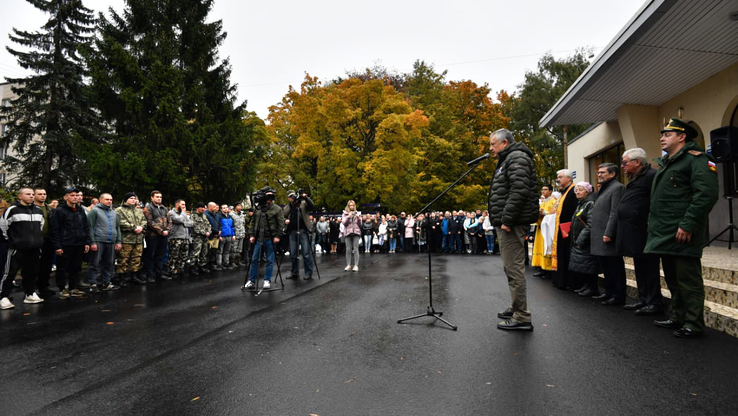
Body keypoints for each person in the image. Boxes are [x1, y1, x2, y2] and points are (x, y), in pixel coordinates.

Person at [645, 118, 719, 338]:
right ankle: (678, 316)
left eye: (667, 134)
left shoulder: (697, 160)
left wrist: (687, 225)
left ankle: (694, 323)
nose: (662, 138)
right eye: (662, 134)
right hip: (666, 232)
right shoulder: (669, 162)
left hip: (683, 232)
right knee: (673, 279)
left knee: (688, 280)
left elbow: (705, 195)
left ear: (682, 136)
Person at [487, 128, 539, 331]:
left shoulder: (517, 157)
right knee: (510, 267)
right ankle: (516, 307)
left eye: (493, 144)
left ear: (505, 143)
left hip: (512, 223)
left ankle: (522, 316)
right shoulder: (508, 159)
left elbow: (520, 190)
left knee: (514, 268)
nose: (490, 149)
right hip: (508, 222)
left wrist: (507, 219)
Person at [617, 148, 664, 315]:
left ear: (637, 162)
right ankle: (643, 299)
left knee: (649, 267)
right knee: (639, 267)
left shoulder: (652, 175)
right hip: (634, 231)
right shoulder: (636, 178)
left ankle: (654, 302)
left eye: (625, 162)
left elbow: (657, 201)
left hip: (645, 230)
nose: (622, 166)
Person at [0, 188, 45, 309]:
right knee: (10, 272)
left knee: (31, 272)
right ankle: (3, 297)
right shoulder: (12, 210)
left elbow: (40, 227)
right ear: (20, 196)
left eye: (32, 194)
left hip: (34, 248)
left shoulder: (39, 211)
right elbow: (3, 226)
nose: (31, 196)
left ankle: (29, 294)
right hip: (17, 248)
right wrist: (12, 241)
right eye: (27, 194)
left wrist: (36, 241)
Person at [590, 163, 626, 304]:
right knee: (606, 267)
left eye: (602, 172)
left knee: (614, 267)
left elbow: (614, 212)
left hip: (607, 235)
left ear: (612, 174)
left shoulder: (617, 188)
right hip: (599, 234)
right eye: (598, 172)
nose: (599, 175)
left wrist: (609, 232)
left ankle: (618, 295)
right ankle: (609, 291)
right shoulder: (605, 188)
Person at [50, 188, 90, 299]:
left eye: (77, 195)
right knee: (62, 267)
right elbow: (55, 229)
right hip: (66, 243)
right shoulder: (59, 211)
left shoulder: (80, 210)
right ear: (65, 197)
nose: (75, 197)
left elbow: (85, 227)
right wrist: (57, 246)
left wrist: (87, 242)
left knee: (76, 267)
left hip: (79, 243)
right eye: (72, 195)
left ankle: (73, 287)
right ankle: (62, 288)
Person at [246, 188, 284, 289]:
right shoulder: (258, 208)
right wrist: (252, 235)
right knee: (254, 260)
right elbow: (253, 222)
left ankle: (267, 280)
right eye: (267, 195)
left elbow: (281, 224)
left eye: (271, 196)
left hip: (270, 238)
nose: (269, 198)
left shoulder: (277, 209)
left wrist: (278, 236)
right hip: (258, 238)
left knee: (269, 260)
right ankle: (251, 280)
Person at [568, 182, 600, 297]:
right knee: (584, 264)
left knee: (589, 264)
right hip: (580, 239)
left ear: (588, 191)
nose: (577, 192)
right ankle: (587, 285)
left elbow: (590, 224)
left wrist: (581, 239)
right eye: (576, 190)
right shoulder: (581, 203)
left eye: (580, 190)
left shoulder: (590, 203)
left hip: (586, 240)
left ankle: (592, 287)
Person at [87, 193, 123, 292]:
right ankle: (93, 284)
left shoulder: (114, 213)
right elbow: (89, 227)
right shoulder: (94, 211)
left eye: (111, 199)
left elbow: (117, 227)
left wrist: (118, 241)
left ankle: (106, 283)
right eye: (107, 199)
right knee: (94, 263)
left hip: (111, 241)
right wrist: (92, 242)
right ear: (100, 200)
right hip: (99, 240)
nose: (109, 201)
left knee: (109, 263)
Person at [551, 169, 579, 290]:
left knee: (567, 254)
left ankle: (568, 281)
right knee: (562, 254)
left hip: (568, 229)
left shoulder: (573, 191)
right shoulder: (564, 192)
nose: (558, 179)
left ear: (568, 178)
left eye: (560, 177)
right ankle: (561, 280)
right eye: (557, 177)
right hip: (561, 228)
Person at [116, 192, 147, 285]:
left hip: (138, 239)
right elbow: (120, 222)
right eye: (131, 198)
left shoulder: (138, 210)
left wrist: (141, 227)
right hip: (126, 239)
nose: (133, 200)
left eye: (134, 198)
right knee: (123, 259)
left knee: (136, 258)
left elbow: (144, 221)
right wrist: (133, 227)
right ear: (126, 200)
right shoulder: (119, 210)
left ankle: (134, 276)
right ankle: (122, 278)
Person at [283, 190, 315, 280]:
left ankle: (308, 273)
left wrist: (306, 197)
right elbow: (283, 215)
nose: (292, 198)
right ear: (288, 198)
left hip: (303, 231)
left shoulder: (303, 203)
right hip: (292, 232)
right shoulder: (288, 206)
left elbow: (312, 206)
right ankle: (294, 272)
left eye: (293, 196)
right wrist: (285, 221)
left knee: (306, 253)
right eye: (290, 197)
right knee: (293, 254)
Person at [142, 190, 171, 282]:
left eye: (160, 197)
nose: (159, 198)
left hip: (164, 235)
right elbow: (150, 222)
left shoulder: (164, 208)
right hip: (152, 235)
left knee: (161, 254)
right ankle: (150, 275)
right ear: (152, 197)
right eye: (157, 197)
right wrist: (161, 230)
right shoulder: (148, 208)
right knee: (150, 255)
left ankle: (160, 273)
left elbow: (169, 221)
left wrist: (167, 230)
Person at [33, 188, 56, 298]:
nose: (42, 196)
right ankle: (31, 289)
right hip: (34, 239)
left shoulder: (49, 208)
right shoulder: (31, 208)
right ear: (34, 195)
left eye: (44, 194)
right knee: (33, 264)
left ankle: (44, 287)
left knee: (47, 264)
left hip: (48, 239)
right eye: (40, 194)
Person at [531, 185, 557, 276]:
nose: (543, 191)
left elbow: (555, 215)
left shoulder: (554, 202)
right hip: (540, 228)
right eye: (542, 189)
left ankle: (548, 269)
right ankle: (541, 267)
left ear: (550, 191)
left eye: (545, 189)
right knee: (540, 248)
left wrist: (545, 213)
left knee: (547, 247)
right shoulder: (542, 203)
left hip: (548, 229)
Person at [168, 200, 192, 277]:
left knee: (183, 255)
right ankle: (172, 270)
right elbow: (179, 220)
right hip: (176, 237)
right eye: (182, 204)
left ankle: (180, 269)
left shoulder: (183, 214)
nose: (184, 206)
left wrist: (183, 221)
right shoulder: (171, 213)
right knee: (174, 255)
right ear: (177, 205)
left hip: (185, 237)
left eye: (185, 204)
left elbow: (191, 223)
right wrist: (183, 214)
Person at [342, 200, 362, 271]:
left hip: (356, 232)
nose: (352, 207)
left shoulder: (358, 213)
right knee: (348, 249)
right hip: (348, 233)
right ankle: (348, 265)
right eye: (350, 205)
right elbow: (344, 223)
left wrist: (359, 218)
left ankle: (356, 265)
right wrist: (348, 216)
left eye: (353, 205)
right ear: (348, 206)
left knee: (356, 249)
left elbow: (360, 224)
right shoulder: (345, 213)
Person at [217, 204, 236, 270]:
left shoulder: (230, 217)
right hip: (222, 235)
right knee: (220, 250)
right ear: (221, 209)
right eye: (224, 208)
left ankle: (226, 263)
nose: (225, 209)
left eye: (226, 207)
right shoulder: (219, 216)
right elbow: (218, 226)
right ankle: (219, 264)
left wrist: (233, 235)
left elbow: (233, 227)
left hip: (229, 235)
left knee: (227, 251)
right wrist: (219, 235)